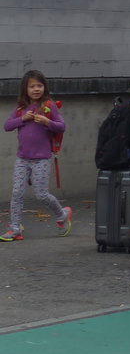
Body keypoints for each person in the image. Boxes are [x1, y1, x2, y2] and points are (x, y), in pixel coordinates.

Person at [3, 70, 72, 241]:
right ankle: (15, 227)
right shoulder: (21, 108)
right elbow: (7, 126)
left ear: (44, 87)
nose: (36, 89)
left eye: (39, 85)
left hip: (41, 159)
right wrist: (23, 119)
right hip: (22, 159)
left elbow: (61, 126)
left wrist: (47, 122)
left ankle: (62, 214)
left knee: (41, 194)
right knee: (17, 192)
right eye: (32, 86)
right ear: (25, 89)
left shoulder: (49, 105)